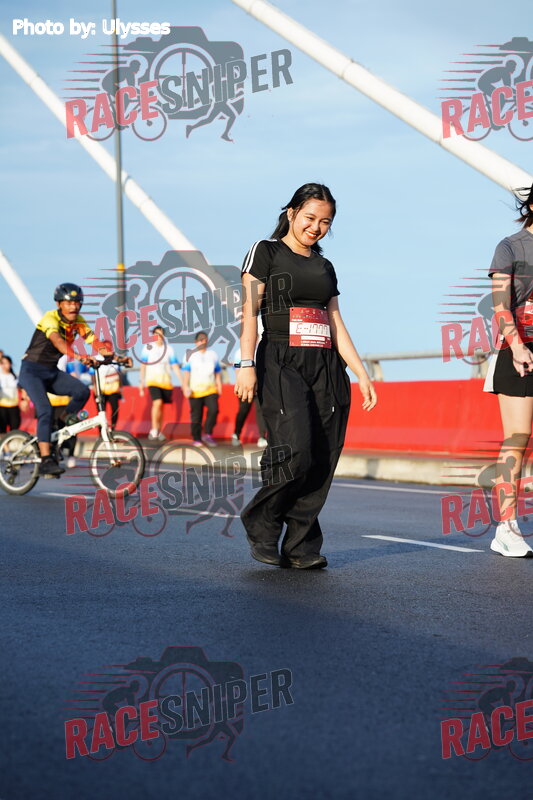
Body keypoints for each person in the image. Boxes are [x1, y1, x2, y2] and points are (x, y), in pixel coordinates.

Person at [235, 182, 377, 569]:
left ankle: (300, 546)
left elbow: (336, 322)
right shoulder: (266, 252)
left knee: (323, 456)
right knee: (294, 450)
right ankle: (261, 521)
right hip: (281, 360)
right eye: (310, 218)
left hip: (326, 364)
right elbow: (249, 313)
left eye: (325, 222)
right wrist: (246, 365)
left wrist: (361, 373)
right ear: (292, 213)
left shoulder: (324, 267)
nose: (316, 227)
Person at [483, 183, 533, 556]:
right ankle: (506, 527)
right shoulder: (511, 246)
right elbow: (500, 304)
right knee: (517, 438)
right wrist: (516, 345)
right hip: (520, 348)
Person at [17, 283, 112, 476]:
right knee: (45, 409)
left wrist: (115, 356)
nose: (73, 307)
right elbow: (58, 342)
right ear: (59, 304)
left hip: (51, 373)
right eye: (69, 303)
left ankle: (62, 424)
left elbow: (94, 341)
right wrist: (79, 357)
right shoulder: (50, 318)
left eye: (77, 303)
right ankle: (45, 460)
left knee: (82, 391)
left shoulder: (78, 322)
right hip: (32, 371)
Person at [181, 331, 222, 447]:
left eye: (205, 339)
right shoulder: (190, 355)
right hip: (195, 391)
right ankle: (197, 438)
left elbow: (217, 373)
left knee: (214, 410)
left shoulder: (213, 355)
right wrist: (185, 387)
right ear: (196, 342)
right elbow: (186, 374)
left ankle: (208, 433)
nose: (203, 342)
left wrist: (219, 386)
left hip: (210, 389)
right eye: (200, 340)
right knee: (196, 416)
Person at [139, 326, 181, 441]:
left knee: (161, 406)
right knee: (157, 402)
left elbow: (175, 365)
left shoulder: (169, 349)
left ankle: (159, 430)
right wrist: (141, 382)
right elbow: (143, 365)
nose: (159, 337)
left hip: (166, 381)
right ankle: (153, 429)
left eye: (161, 334)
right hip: (152, 380)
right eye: (157, 334)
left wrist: (182, 381)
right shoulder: (148, 347)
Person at [0, 355, 28, 433]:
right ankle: (3, 441)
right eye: (2, 363)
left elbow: (22, 389)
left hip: (14, 406)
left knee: (15, 427)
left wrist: (24, 400)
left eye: (6, 363)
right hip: (2, 406)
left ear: (10, 364)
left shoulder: (15, 377)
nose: (4, 365)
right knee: (2, 428)